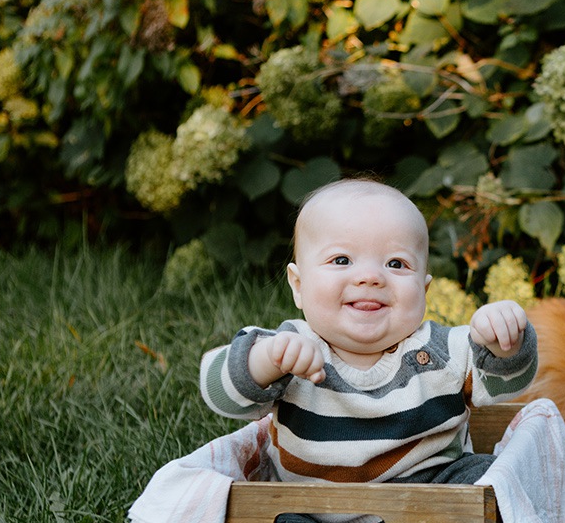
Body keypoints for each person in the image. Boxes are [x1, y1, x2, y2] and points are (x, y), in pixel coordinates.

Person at [199, 178, 536, 492]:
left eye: (396, 264)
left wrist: (502, 343)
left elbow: (504, 384)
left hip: (433, 499)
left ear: (423, 289)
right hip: (311, 508)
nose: (370, 277)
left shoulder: (443, 350)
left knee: (496, 479)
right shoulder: (291, 347)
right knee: (264, 520)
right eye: (342, 259)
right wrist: (265, 362)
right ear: (298, 286)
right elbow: (219, 391)